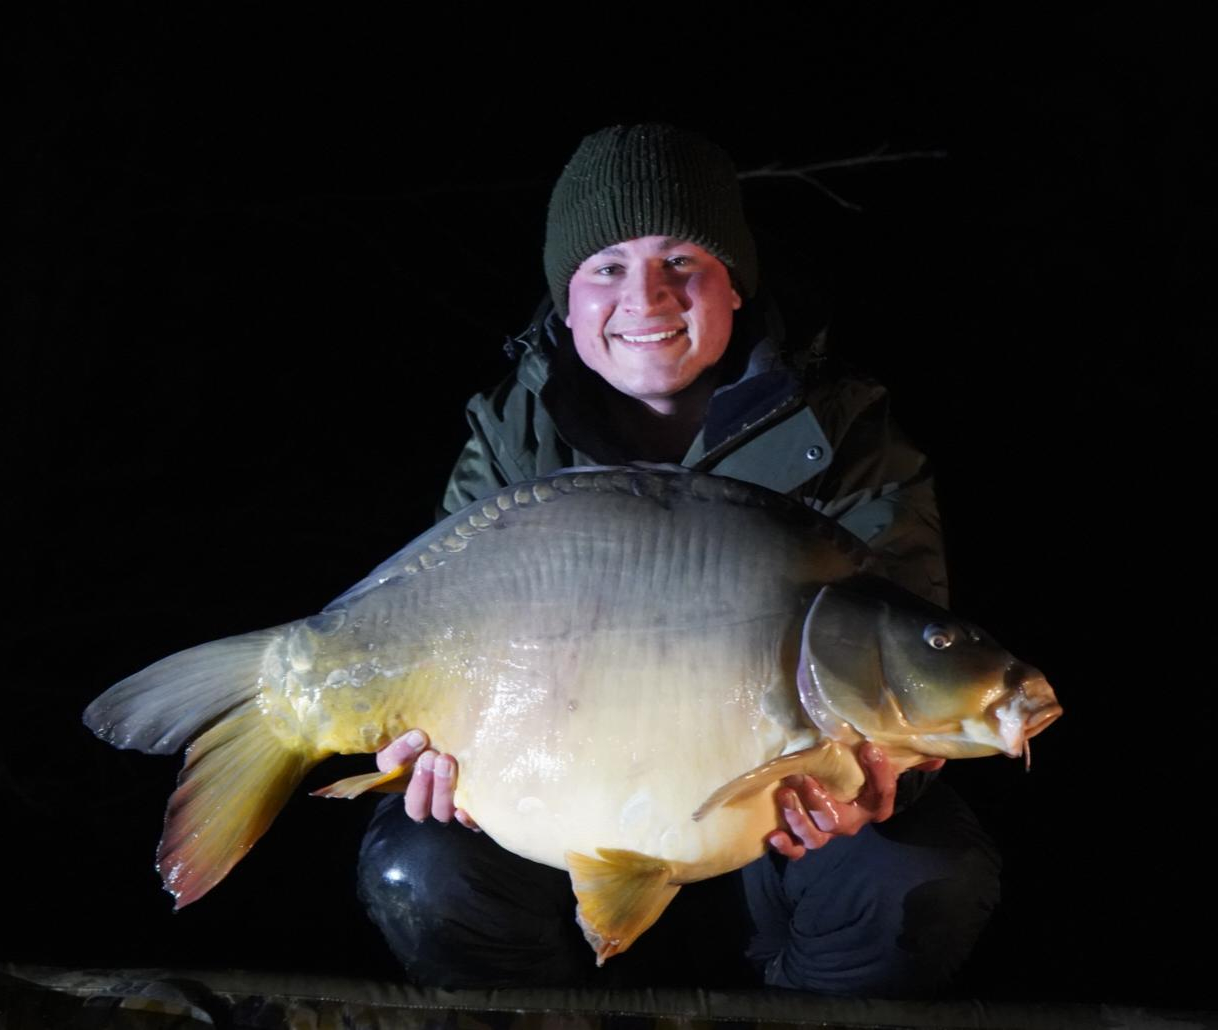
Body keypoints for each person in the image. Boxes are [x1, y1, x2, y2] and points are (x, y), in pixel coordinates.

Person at [356, 124, 1000, 995]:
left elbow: (906, 667)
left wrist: (884, 787)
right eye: (606, 267)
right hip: (560, 807)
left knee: (916, 878)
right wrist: (420, 750)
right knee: (422, 864)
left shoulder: (847, 434)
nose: (646, 296)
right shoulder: (512, 436)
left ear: (734, 284)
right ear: (566, 300)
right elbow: (435, 633)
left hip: (772, 825)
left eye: (682, 261)